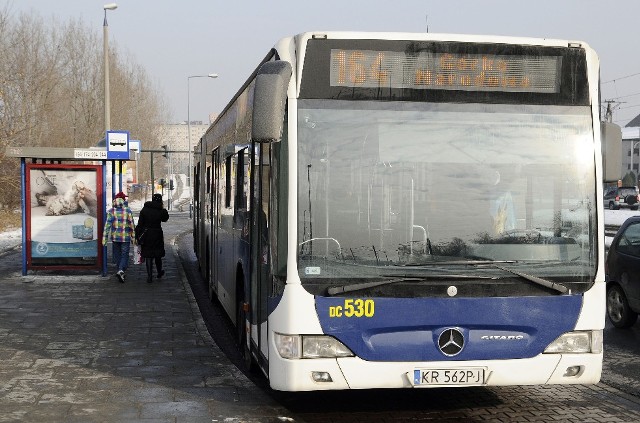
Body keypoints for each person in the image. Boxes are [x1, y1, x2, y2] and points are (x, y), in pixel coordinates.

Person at [102, 192, 135, 283]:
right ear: (123, 201)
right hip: (125, 238)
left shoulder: (111, 211)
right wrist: (134, 238)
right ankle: (121, 270)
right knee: (125, 254)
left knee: (117, 255)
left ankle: (120, 271)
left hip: (115, 237)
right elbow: (132, 225)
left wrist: (104, 239)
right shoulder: (128, 211)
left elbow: (107, 226)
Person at [136, 193, 169, 283]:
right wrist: (163, 208)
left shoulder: (145, 209)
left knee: (148, 255)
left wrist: (138, 235)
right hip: (157, 234)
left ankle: (149, 276)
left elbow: (140, 224)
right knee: (157, 254)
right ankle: (159, 272)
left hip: (147, 234)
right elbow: (165, 218)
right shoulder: (160, 210)